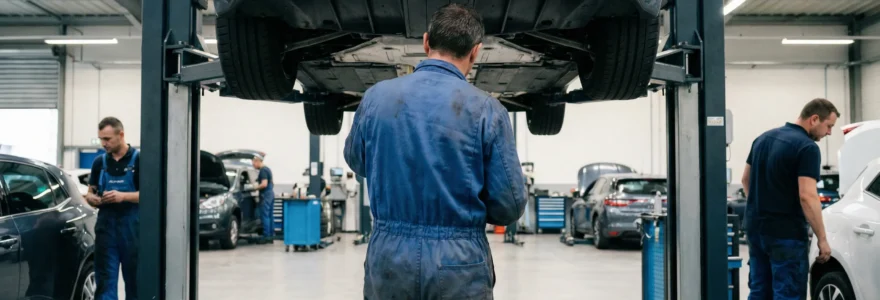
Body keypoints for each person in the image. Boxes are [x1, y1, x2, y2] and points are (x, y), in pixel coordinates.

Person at [344, 4, 526, 299]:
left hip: (389, 259)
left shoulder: (376, 98)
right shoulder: (487, 110)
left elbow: (358, 161)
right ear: (475, 52)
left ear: (426, 42)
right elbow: (509, 205)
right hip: (459, 262)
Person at [741, 98, 838, 300]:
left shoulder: (762, 139)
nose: (829, 133)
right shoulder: (807, 148)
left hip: (756, 229)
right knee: (788, 293)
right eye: (829, 126)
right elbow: (807, 196)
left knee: (759, 291)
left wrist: (762, 207)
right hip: (786, 235)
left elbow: (745, 180)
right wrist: (822, 239)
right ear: (814, 119)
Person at [84, 116, 140, 300]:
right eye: (101, 138)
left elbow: (152, 195)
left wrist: (123, 196)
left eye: (107, 139)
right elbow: (90, 193)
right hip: (107, 230)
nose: (103, 143)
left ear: (121, 134)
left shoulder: (140, 160)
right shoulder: (99, 163)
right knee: (105, 281)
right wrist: (93, 199)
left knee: (135, 281)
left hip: (133, 230)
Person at [252, 155, 275, 244]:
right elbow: (272, 183)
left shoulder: (263, 171)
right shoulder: (268, 169)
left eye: (253, 163)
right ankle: (271, 235)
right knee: (270, 215)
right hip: (270, 194)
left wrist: (255, 188)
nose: (253, 165)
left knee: (265, 216)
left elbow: (264, 184)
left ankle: (266, 236)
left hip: (265, 195)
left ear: (257, 161)